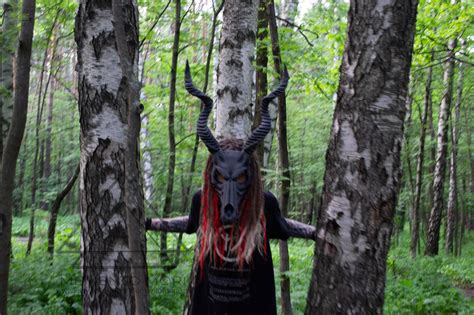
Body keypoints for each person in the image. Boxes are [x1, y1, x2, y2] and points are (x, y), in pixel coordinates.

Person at [146, 62, 315, 315]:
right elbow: (191, 223)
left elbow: (284, 225)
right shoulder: (202, 199)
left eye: (238, 179)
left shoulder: (264, 204)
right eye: (223, 178)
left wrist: (318, 232)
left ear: (250, 177)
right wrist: (150, 223)